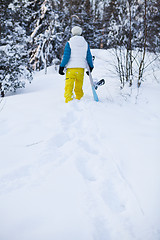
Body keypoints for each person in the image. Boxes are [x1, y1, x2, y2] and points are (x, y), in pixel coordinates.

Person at [59, 26, 94, 103]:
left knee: (69, 85)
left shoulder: (69, 43)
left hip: (71, 69)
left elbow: (66, 56)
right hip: (80, 69)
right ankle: (79, 99)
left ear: (73, 33)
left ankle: (68, 100)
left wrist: (62, 66)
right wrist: (91, 66)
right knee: (79, 86)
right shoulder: (85, 44)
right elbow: (89, 56)